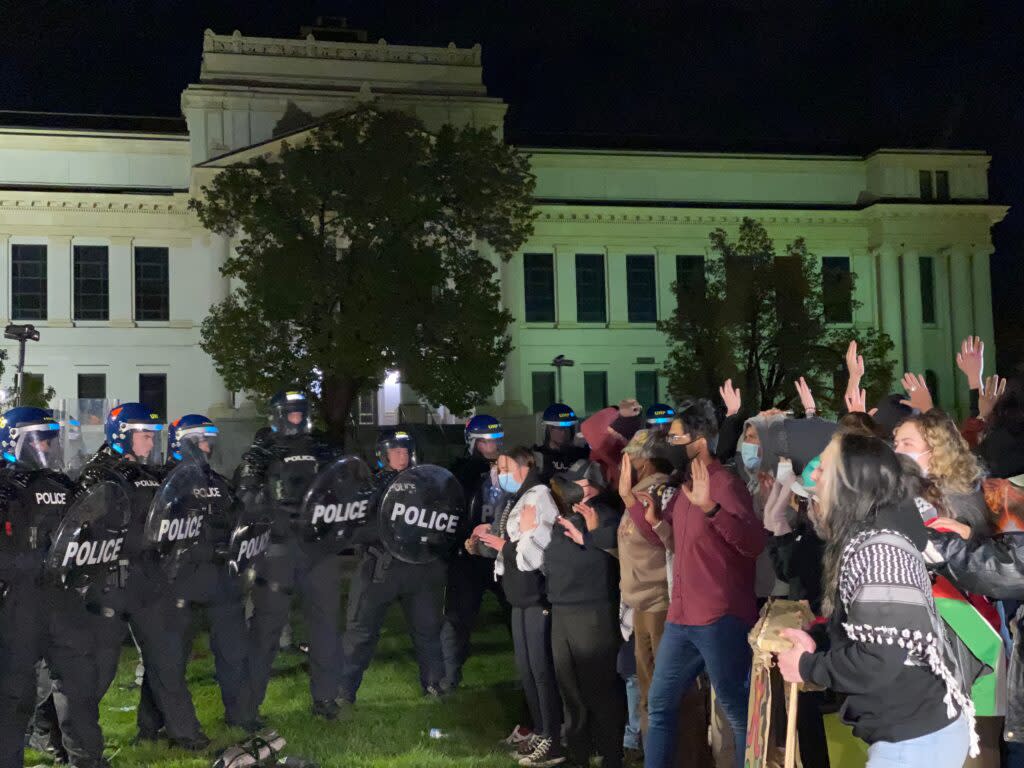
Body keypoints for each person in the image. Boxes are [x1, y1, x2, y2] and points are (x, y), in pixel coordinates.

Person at [777, 432, 977, 768]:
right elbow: (869, 632)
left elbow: (879, 661)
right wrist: (817, 641)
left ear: (850, 483)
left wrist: (807, 667)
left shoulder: (878, 554)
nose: (814, 478)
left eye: (824, 469)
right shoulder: (869, 538)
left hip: (915, 740)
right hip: (912, 733)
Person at [629, 399, 763, 768]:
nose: (667, 444)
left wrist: (712, 509)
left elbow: (753, 543)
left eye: (674, 437)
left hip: (720, 616)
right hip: (682, 616)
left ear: (699, 440)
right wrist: (639, 510)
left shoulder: (726, 485)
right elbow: (667, 541)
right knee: (659, 705)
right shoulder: (685, 486)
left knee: (737, 711)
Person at [74, 402, 209, 750]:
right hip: (110, 583)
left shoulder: (154, 474)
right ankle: (65, 739)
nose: (151, 442)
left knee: (167, 660)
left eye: (153, 435)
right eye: (145, 435)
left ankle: (185, 733)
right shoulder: (98, 475)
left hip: (150, 579)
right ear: (122, 435)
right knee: (98, 671)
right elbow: (88, 532)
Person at [136, 414, 260, 734]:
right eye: (202, 441)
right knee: (169, 660)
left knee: (234, 652)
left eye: (209, 441)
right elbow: (156, 535)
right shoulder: (166, 484)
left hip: (221, 581)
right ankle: (152, 726)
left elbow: (237, 524)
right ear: (185, 442)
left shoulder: (219, 484)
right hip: (179, 583)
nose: (208, 447)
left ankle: (242, 716)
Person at [238, 390, 344, 720]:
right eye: (290, 412)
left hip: (318, 549)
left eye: (300, 412)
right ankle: (248, 705)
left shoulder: (324, 448)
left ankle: (325, 699)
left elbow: (345, 489)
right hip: (278, 549)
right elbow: (245, 494)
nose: (296, 418)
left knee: (326, 627)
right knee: (265, 628)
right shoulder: (261, 452)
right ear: (278, 414)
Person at [338, 429, 448, 704]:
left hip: (418, 567)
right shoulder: (369, 486)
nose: (402, 455)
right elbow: (354, 529)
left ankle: (434, 684)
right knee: (360, 633)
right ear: (383, 455)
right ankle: (341, 692)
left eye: (405, 450)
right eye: (395, 451)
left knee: (428, 630)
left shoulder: (426, 484)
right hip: (380, 567)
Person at [472, 447, 564, 767]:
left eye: (505, 467)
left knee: (542, 672)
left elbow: (535, 553)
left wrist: (504, 545)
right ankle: (539, 731)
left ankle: (553, 737)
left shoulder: (539, 497)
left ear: (525, 466)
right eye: (497, 468)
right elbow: (514, 543)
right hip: (518, 597)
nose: (499, 474)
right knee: (528, 671)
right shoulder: (518, 498)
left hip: (535, 595)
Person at [0, 408, 75, 768]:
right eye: (39, 440)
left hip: (58, 598)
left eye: (51, 439)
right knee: (16, 691)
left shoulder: (62, 486)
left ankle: (62, 745)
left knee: (74, 678)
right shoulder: (5, 489)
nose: (47, 446)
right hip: (16, 602)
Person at [546, 458, 627, 768]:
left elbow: (615, 551)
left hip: (591, 611)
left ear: (592, 488)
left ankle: (610, 755)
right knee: (569, 689)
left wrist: (593, 535)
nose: (570, 491)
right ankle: (578, 753)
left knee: (600, 689)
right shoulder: (565, 518)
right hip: (562, 610)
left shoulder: (605, 516)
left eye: (576, 485)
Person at [443, 414, 511, 690]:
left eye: (496, 440)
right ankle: (448, 676)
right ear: (473, 442)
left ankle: (536, 669)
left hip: (502, 554)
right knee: (458, 617)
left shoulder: (510, 469)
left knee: (517, 612)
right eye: (485, 441)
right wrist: (460, 543)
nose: (492, 447)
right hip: (469, 556)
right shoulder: (460, 472)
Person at [894, 410, 990, 534]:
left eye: (907, 444)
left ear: (936, 450)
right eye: (896, 444)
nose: (897, 451)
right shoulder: (908, 485)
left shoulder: (959, 500)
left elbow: (976, 546)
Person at [533, 403, 589, 483]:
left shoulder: (582, 454)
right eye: (559, 428)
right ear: (547, 429)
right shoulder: (537, 456)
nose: (563, 433)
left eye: (567, 428)